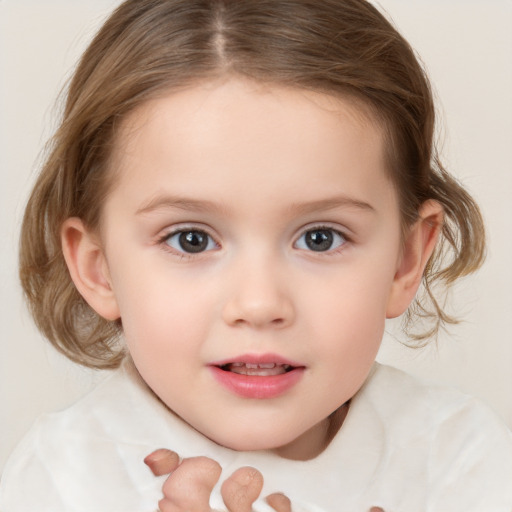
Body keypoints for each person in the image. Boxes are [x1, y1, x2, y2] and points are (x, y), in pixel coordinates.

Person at [1, 0, 511, 511]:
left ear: (405, 260)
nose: (260, 303)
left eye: (320, 238)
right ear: (99, 268)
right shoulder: (61, 481)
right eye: (191, 239)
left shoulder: (455, 460)